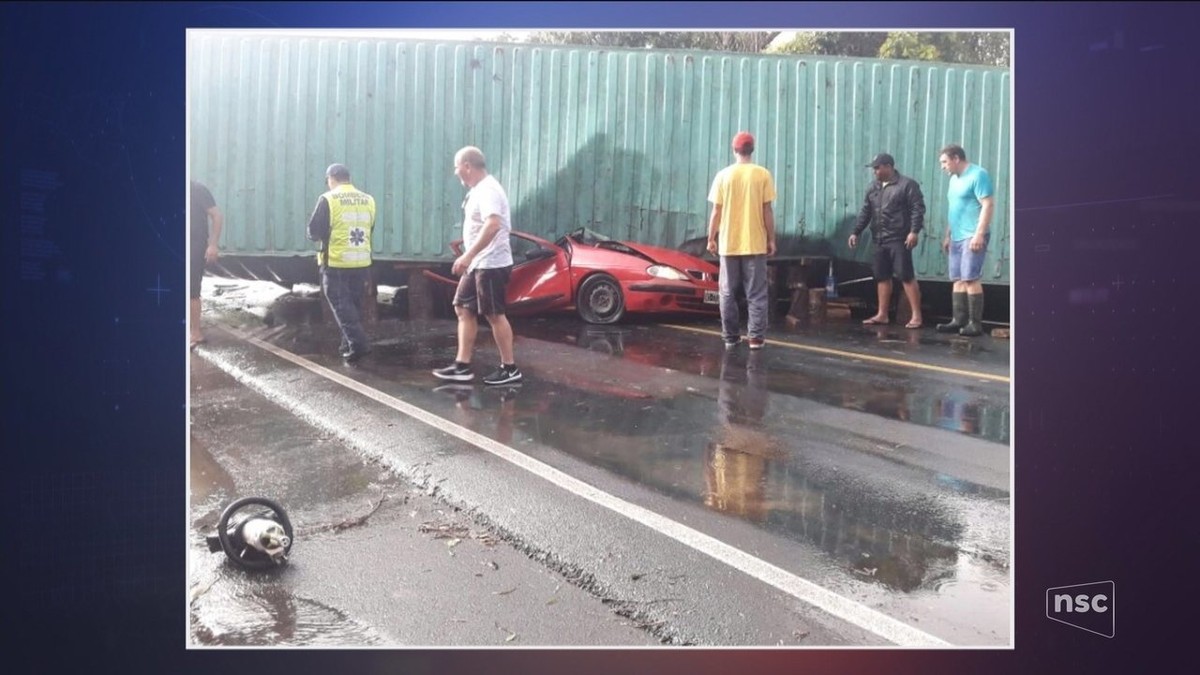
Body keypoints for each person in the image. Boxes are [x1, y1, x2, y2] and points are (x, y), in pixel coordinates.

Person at [432, 146, 522, 386]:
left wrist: (468, 256)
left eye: (456, 166)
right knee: (462, 307)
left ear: (467, 165)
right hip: (479, 263)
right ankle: (461, 366)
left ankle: (510, 368)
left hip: (491, 263)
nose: (455, 172)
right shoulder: (479, 190)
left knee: (494, 314)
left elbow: (493, 224)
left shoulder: (488, 190)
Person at [706, 131, 777, 350]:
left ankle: (731, 337)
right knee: (756, 293)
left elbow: (716, 212)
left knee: (727, 292)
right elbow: (767, 211)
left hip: (729, 244)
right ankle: (755, 338)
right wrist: (771, 238)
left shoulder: (723, 176)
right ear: (752, 149)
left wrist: (711, 238)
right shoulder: (762, 174)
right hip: (755, 243)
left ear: (734, 149)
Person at [306, 163, 376, 362]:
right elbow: (370, 227)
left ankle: (358, 343)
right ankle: (347, 345)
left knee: (340, 305)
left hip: (336, 262)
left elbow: (314, 232)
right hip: (361, 261)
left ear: (332, 178)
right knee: (353, 305)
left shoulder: (328, 199)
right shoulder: (368, 199)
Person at [849, 153, 926, 329]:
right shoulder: (873, 187)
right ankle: (882, 314)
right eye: (874, 168)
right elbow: (866, 211)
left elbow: (917, 209)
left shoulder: (907, 185)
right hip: (879, 238)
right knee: (881, 276)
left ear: (889, 166)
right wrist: (856, 232)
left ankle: (916, 316)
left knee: (906, 275)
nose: (875, 171)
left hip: (899, 238)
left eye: (877, 167)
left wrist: (914, 231)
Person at [936, 144, 995, 337]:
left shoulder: (978, 175)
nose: (943, 167)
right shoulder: (954, 179)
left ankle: (975, 324)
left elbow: (987, 204)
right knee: (958, 279)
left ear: (956, 159)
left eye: (945, 162)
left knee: (970, 278)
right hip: (957, 236)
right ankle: (958, 320)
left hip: (972, 234)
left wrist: (979, 234)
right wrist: (948, 234)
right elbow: (955, 208)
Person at [190, 180, 223, 349]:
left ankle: (195, 333)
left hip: (195, 245)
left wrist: (213, 244)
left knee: (192, 289)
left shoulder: (197, 189)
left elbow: (216, 215)